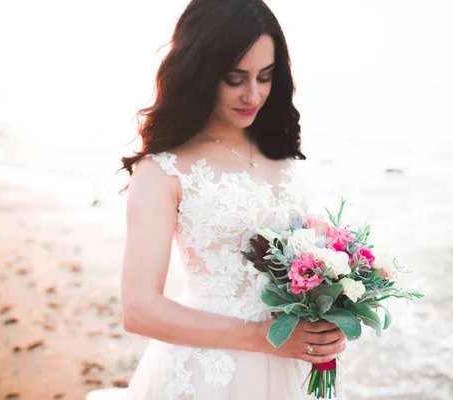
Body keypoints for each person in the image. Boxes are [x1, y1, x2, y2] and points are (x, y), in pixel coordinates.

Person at [87, 0, 347, 398]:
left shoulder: (280, 152)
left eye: (266, 76)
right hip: (210, 372)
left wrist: (327, 322)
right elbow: (138, 310)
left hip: (292, 369)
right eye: (234, 78)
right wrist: (267, 337)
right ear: (200, 71)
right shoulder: (163, 171)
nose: (253, 94)